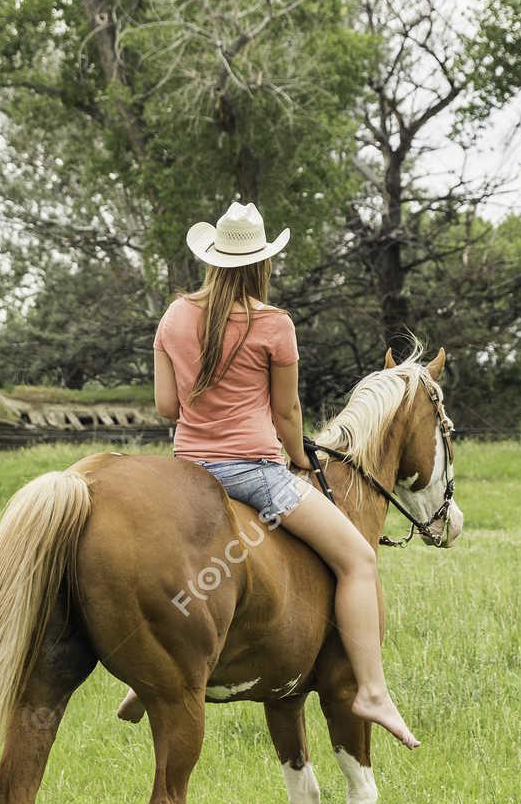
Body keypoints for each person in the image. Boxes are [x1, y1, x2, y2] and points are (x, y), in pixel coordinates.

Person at [145, 200, 417, 749]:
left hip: (186, 474)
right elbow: (287, 413)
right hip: (255, 473)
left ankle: (148, 674)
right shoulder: (273, 324)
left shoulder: (174, 316)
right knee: (358, 560)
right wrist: (299, 458)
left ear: (212, 258)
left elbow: (167, 407)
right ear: (262, 262)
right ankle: (372, 691)